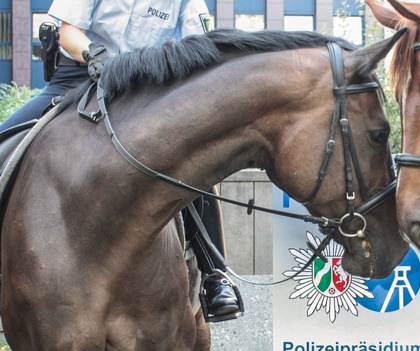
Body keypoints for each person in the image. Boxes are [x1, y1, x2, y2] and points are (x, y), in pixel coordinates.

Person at [0, 0, 242, 321]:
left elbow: (196, 46)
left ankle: (215, 276)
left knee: (197, 163)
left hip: (146, 86)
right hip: (81, 74)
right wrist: (95, 55)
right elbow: (69, 32)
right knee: (5, 142)